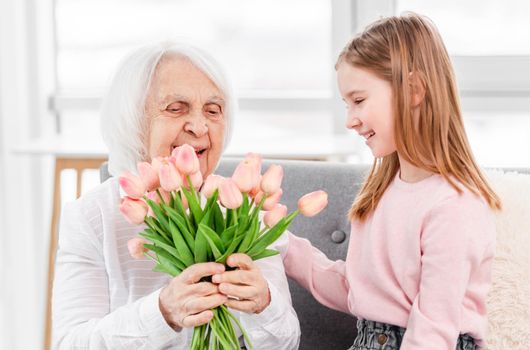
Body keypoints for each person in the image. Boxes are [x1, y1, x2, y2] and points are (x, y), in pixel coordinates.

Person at [52, 41, 300, 349]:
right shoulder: (92, 216)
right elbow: (70, 343)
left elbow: (287, 343)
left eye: (213, 110)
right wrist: (162, 312)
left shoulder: (246, 209)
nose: (199, 126)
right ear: (134, 122)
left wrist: (264, 305)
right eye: (175, 108)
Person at [281, 13, 501, 350]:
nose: (350, 121)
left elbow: (433, 332)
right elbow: (358, 291)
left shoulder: (454, 205)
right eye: (346, 104)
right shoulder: (383, 191)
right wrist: (282, 246)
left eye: (358, 100)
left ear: (413, 90)